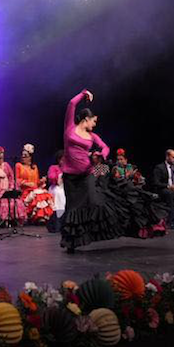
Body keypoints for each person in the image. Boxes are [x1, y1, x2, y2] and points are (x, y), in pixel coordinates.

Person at [58, 90, 123, 252]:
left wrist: (102, 154)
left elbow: (105, 147)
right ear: (86, 119)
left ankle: (94, 234)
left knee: (93, 203)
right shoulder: (70, 128)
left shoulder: (92, 136)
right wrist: (84, 93)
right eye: (93, 121)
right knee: (72, 208)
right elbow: (72, 104)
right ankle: (70, 243)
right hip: (70, 177)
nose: (94, 125)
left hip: (87, 174)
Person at [16, 143, 54, 223]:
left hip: (34, 189)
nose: (23, 158)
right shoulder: (18, 165)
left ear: (30, 157)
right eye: (22, 155)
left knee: (44, 195)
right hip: (24, 191)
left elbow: (36, 182)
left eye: (25, 156)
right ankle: (37, 217)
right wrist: (26, 183)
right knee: (37, 195)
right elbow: (16, 179)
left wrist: (41, 181)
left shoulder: (34, 167)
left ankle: (43, 217)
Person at [46, 150, 66, 217]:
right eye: (62, 160)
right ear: (58, 160)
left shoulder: (69, 168)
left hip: (66, 186)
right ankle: (59, 213)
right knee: (59, 193)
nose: (64, 162)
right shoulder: (54, 167)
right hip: (56, 187)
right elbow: (51, 177)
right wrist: (60, 176)